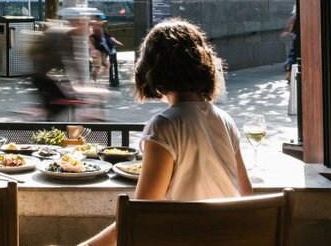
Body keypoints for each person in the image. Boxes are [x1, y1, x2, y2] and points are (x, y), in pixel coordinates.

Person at [79, 18, 253, 246]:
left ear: (152, 69)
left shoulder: (164, 126)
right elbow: (246, 194)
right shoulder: (225, 120)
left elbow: (140, 215)